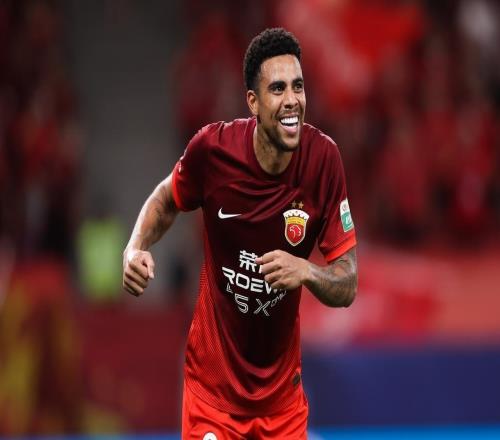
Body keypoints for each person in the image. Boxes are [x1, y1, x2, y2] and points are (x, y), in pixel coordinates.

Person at [123, 28, 357, 440]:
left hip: (281, 404)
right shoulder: (213, 152)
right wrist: (134, 247)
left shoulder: (324, 161)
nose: (292, 100)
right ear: (253, 102)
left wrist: (306, 270)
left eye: (298, 86)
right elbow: (166, 198)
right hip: (212, 396)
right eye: (278, 89)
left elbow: (348, 282)